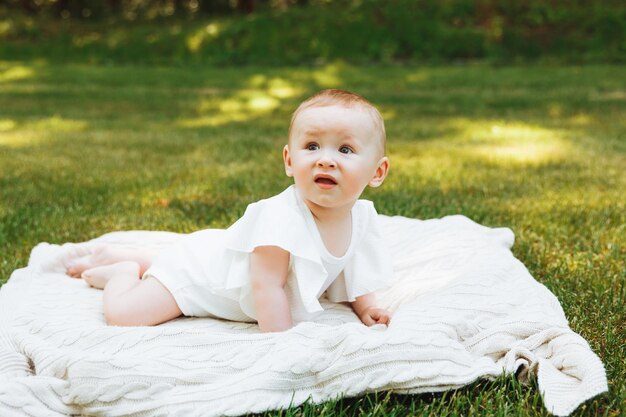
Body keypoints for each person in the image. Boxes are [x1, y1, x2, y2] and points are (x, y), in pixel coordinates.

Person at [65, 89, 393, 332]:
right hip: (198, 279)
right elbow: (267, 287)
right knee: (124, 316)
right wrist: (284, 344)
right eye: (311, 146)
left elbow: (354, 272)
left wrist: (367, 307)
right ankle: (122, 270)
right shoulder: (280, 219)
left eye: (345, 149)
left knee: (209, 255)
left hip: (215, 256)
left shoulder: (361, 217)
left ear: (377, 172)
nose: (325, 159)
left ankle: (142, 257)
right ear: (289, 161)